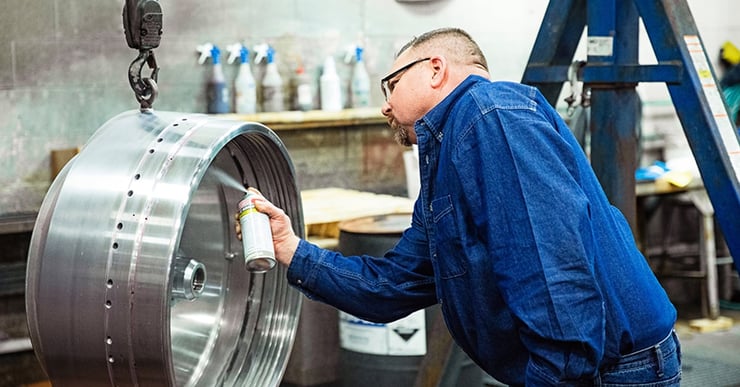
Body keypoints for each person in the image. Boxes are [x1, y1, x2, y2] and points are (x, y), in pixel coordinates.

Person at [248, 27, 681, 386]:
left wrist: (556, 378)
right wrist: (291, 248)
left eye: (392, 84)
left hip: (611, 372)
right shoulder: (451, 152)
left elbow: (554, 277)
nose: (385, 105)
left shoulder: (490, 114)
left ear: (435, 70)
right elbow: (392, 287)